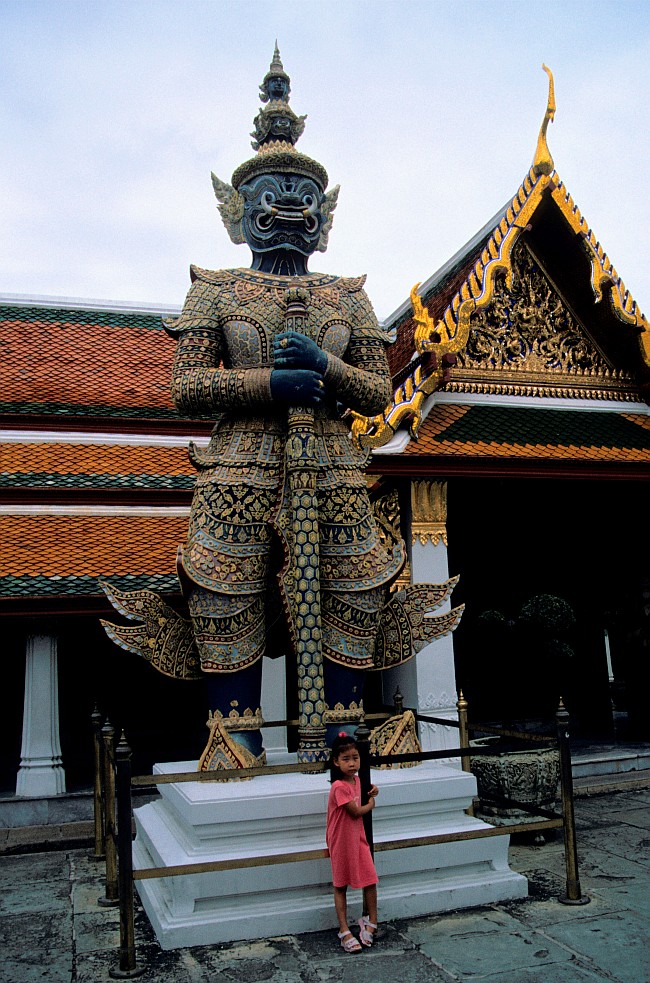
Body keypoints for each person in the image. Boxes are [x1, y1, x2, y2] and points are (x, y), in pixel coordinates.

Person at [326, 732, 379, 952]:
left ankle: (371, 922)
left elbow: (363, 794)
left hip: (358, 838)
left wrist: (372, 790)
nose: (352, 763)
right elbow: (356, 811)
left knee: (369, 878)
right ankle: (344, 929)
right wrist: (372, 804)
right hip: (341, 840)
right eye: (346, 759)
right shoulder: (338, 786)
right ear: (336, 761)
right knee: (341, 884)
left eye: (355, 757)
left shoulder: (357, 781)